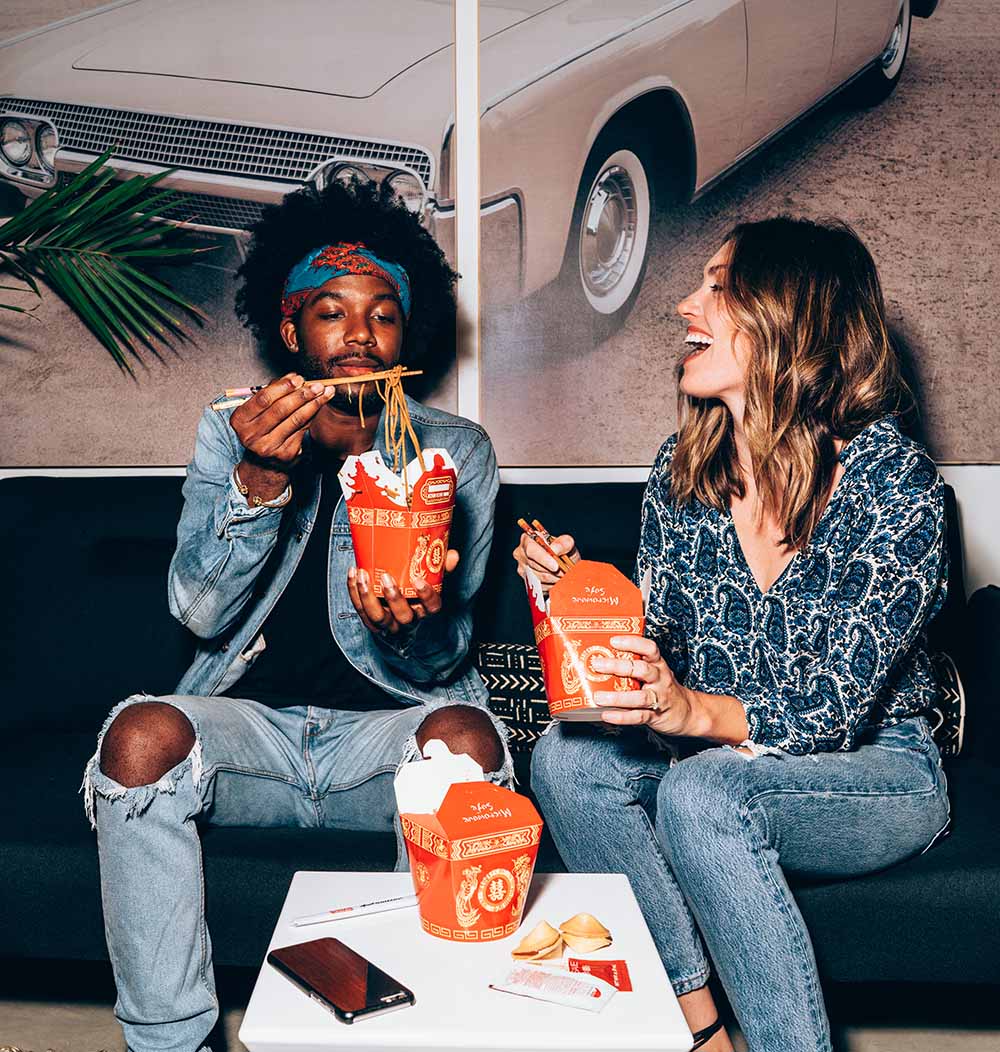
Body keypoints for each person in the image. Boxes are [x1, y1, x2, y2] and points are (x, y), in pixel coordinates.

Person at [82, 179, 509, 1052]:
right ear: (291, 329)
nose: (359, 333)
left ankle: (406, 1032)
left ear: (406, 334)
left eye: (383, 314)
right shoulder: (229, 429)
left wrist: (412, 627)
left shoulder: (454, 452)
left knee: (469, 741)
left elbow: (445, 653)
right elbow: (198, 612)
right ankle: (171, 1043)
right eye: (331, 311)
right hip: (251, 741)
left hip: (386, 747)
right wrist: (258, 483)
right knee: (135, 739)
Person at [516, 217, 950, 1052]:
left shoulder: (894, 482)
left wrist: (689, 715)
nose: (685, 304)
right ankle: (700, 1032)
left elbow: (829, 710)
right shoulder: (679, 471)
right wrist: (571, 600)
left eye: (718, 286)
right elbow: (659, 656)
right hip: (714, 752)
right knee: (565, 759)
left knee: (704, 792)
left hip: (879, 766)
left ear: (795, 316)